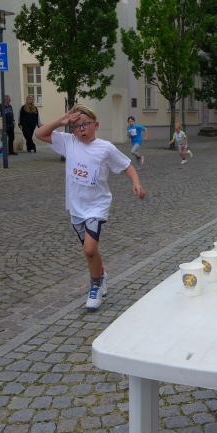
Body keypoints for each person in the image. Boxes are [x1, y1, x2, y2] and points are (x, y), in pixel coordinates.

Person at [34, 104, 145, 311]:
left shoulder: (105, 148)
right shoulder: (68, 142)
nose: (81, 129)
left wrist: (136, 183)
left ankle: (95, 286)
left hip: (97, 206)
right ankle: (101, 274)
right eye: (76, 126)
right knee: (91, 253)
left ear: (96, 125)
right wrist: (61, 120)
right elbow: (39, 134)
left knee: (90, 249)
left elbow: (127, 165)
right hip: (76, 207)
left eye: (85, 124)